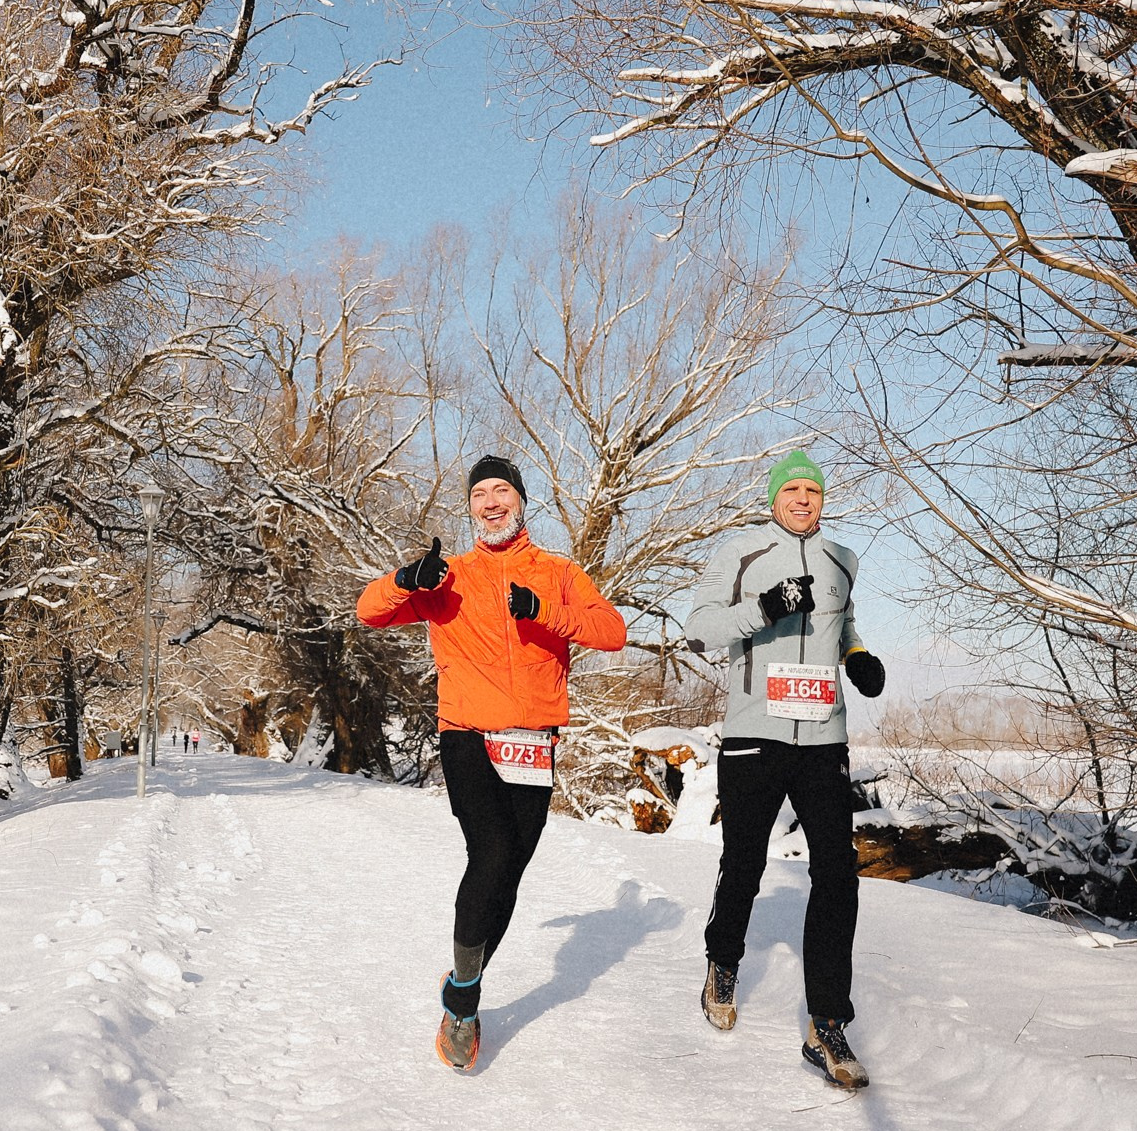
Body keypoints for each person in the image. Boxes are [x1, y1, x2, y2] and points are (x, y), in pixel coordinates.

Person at [357, 455, 627, 1072]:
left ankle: (463, 983)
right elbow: (368, 610)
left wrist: (545, 610)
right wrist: (406, 578)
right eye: (480, 493)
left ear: (522, 501)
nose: (491, 501)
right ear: (470, 507)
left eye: (502, 489)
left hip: (532, 740)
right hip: (468, 736)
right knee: (493, 851)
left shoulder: (558, 571)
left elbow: (612, 631)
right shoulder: (447, 576)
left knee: (508, 872)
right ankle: (463, 1005)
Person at [684, 450, 887, 1089]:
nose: (803, 498)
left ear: (823, 500)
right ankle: (722, 964)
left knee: (838, 874)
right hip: (754, 734)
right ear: (774, 498)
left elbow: (844, 626)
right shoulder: (741, 554)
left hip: (824, 737)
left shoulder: (841, 561)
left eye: (813, 490)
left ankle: (826, 1023)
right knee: (744, 864)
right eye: (792, 489)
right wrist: (764, 609)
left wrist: (857, 656)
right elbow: (698, 629)